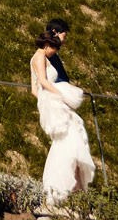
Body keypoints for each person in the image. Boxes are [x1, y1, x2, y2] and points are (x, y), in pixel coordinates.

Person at [30, 18, 95, 206]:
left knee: (70, 139)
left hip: (53, 102)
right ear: (50, 42)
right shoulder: (40, 57)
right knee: (69, 139)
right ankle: (62, 188)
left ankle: (69, 188)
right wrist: (60, 97)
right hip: (55, 103)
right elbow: (42, 82)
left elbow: (35, 90)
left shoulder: (42, 57)